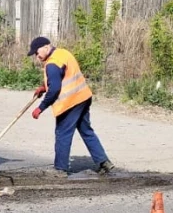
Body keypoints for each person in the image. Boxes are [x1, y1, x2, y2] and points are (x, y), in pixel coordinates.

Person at [27, 36, 115, 176]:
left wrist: (41, 107)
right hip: (83, 96)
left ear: (45, 47)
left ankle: (60, 169)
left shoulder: (52, 64)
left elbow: (55, 89)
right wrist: (44, 87)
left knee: (63, 133)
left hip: (70, 102)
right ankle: (104, 162)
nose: (37, 57)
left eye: (37, 53)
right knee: (86, 131)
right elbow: (63, 76)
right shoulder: (63, 53)